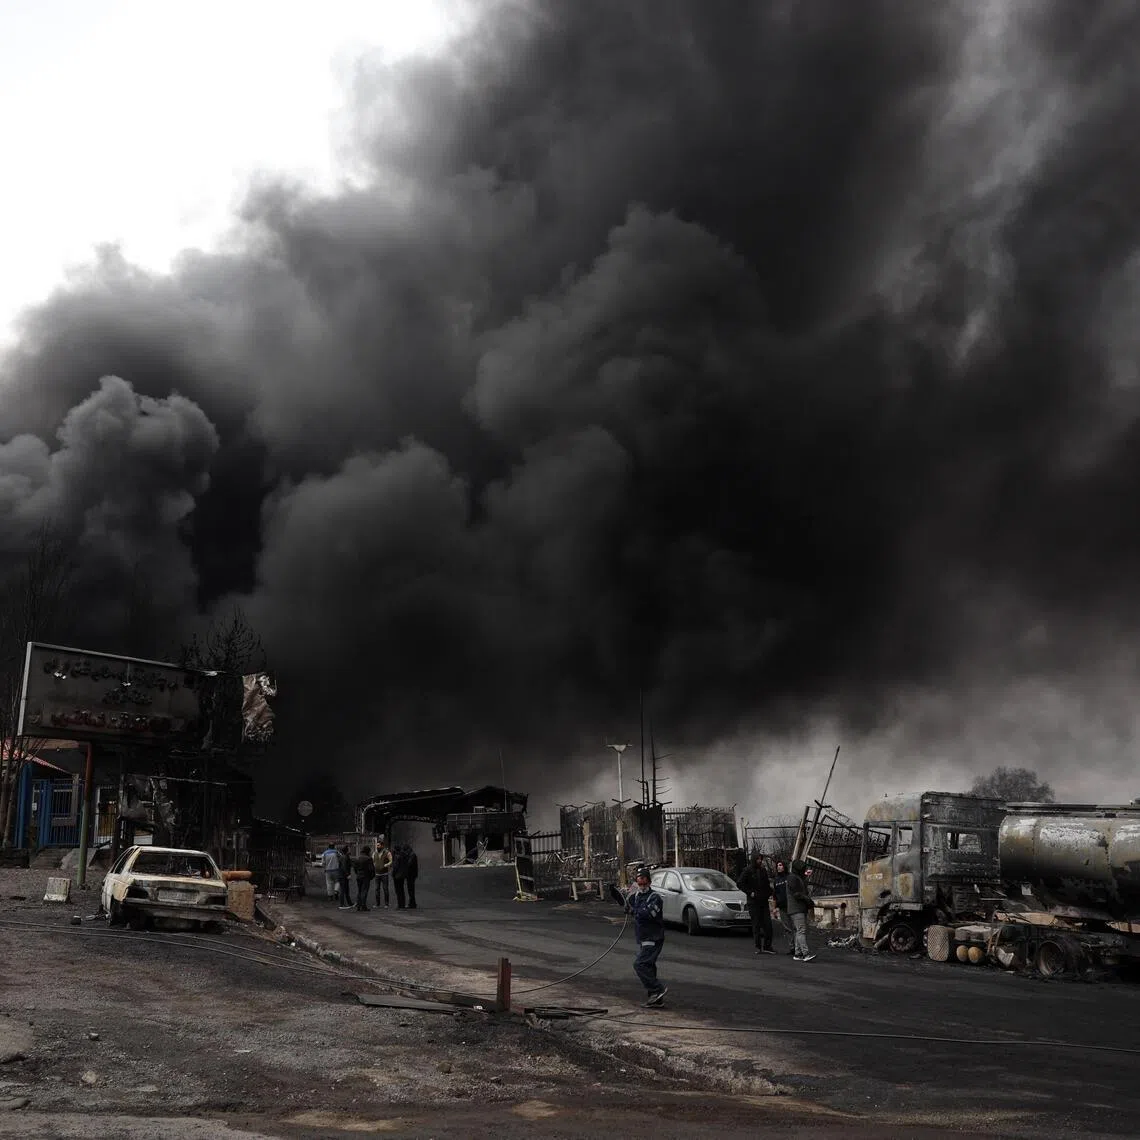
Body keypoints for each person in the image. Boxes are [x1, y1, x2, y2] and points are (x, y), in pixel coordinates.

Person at [622, 866, 667, 1006]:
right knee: (649, 966)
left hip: (653, 937)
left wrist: (634, 911)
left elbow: (649, 914)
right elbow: (629, 906)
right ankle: (655, 999)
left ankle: (657, 989)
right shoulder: (636, 896)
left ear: (649, 882)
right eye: (639, 881)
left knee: (640, 964)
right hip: (643, 937)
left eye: (643, 881)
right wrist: (624, 903)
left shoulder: (655, 898)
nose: (641, 885)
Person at [737, 853, 775, 954]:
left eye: (761, 859)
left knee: (768, 925)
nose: (760, 861)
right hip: (753, 902)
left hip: (763, 901)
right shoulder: (748, 870)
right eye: (758, 859)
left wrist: (770, 893)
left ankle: (767, 946)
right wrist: (750, 892)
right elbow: (740, 883)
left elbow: (766, 885)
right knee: (756, 925)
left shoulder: (763, 871)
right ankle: (758, 946)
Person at [786, 859, 816, 962]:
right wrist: (808, 900)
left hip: (797, 908)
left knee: (799, 931)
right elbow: (797, 894)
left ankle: (798, 953)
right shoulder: (793, 878)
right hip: (797, 908)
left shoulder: (795, 877)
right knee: (801, 931)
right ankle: (805, 953)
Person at [772, 859, 795, 954]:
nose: (779, 867)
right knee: (787, 928)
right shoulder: (776, 880)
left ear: (784, 866)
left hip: (792, 905)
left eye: (780, 865)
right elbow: (775, 895)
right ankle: (792, 947)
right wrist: (774, 908)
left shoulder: (789, 877)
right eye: (777, 865)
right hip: (782, 907)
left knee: (795, 927)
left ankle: (799, 946)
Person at [353, 846, 376, 912]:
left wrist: (357, 873)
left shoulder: (358, 858)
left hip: (359, 876)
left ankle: (358, 905)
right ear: (368, 851)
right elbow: (371, 869)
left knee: (359, 891)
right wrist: (371, 876)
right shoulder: (368, 858)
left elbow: (355, 867)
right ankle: (363, 906)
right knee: (364, 891)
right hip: (366, 876)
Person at [372, 839, 392, 909]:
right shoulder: (374, 853)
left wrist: (386, 865)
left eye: (378, 845)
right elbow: (373, 860)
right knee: (377, 889)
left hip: (384, 874)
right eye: (377, 845)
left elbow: (391, 861)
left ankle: (386, 904)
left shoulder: (387, 853)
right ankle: (377, 904)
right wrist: (374, 865)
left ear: (382, 846)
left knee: (385, 889)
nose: (377, 846)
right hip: (377, 874)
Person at [392, 844, 409, 909]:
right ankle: (402, 904)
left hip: (397, 876)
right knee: (402, 890)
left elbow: (395, 867)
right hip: (403, 875)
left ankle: (400, 905)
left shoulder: (397, 857)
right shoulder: (404, 855)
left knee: (398, 891)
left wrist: (393, 874)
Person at [337, 844, 353, 910]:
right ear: (347, 850)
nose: (350, 850)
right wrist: (347, 874)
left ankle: (350, 903)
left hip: (343, 876)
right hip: (343, 876)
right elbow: (344, 867)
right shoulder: (344, 857)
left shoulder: (345, 856)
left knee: (346, 890)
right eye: (349, 849)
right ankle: (341, 904)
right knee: (343, 890)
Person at [404, 843, 419, 909]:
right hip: (412, 875)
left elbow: (409, 864)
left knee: (411, 890)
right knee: (411, 890)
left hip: (411, 875)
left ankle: (412, 903)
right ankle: (412, 903)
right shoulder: (412, 854)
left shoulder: (412, 855)